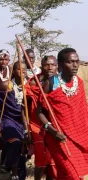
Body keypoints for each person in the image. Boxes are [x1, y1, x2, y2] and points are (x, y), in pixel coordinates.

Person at [37, 48, 88, 180]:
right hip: (58, 137)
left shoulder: (80, 84)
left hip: (78, 137)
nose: (75, 65)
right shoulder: (51, 83)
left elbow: (82, 111)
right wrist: (53, 131)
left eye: (77, 61)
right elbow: (40, 112)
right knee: (73, 175)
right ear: (60, 64)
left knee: (67, 175)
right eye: (70, 62)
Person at [0, 61, 28, 180]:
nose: (22, 72)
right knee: (15, 143)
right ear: (13, 71)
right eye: (19, 69)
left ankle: (12, 166)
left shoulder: (30, 86)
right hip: (8, 120)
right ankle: (14, 173)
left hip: (23, 122)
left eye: (24, 70)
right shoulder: (6, 85)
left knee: (23, 147)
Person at [25, 55, 58, 180]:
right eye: (46, 65)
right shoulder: (34, 82)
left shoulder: (61, 82)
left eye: (52, 65)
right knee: (41, 158)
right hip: (37, 125)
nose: (49, 68)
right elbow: (26, 106)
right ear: (41, 67)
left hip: (56, 125)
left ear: (57, 66)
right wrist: (25, 127)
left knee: (53, 160)